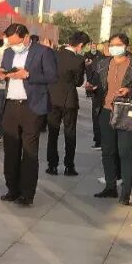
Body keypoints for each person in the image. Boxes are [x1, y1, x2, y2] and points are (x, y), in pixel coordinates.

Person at [0, 23, 58, 207]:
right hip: (11, 105)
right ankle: (12, 189)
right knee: (10, 149)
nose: (13, 46)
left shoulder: (43, 52)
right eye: (10, 43)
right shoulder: (8, 52)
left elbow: (52, 76)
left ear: (25, 37)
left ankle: (27, 193)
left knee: (29, 151)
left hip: (31, 106)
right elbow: (3, 71)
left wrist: (28, 75)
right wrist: (1, 75)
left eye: (15, 42)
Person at [92, 34, 132, 205]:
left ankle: (125, 191)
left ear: (125, 46)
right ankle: (110, 186)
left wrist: (130, 91)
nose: (114, 47)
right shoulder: (103, 63)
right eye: (111, 44)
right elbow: (98, 85)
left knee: (125, 152)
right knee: (108, 151)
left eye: (117, 44)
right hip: (106, 111)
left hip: (127, 112)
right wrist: (92, 88)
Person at [46, 31, 89, 177]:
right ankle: (69, 166)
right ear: (80, 45)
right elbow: (78, 82)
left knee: (53, 133)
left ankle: (52, 166)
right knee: (70, 134)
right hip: (69, 101)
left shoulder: (53, 54)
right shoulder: (79, 59)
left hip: (52, 98)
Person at [84, 42, 109, 148]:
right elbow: (91, 76)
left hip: (101, 94)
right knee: (99, 118)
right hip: (99, 94)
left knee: (99, 118)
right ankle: (100, 140)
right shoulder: (98, 60)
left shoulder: (98, 60)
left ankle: (100, 141)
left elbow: (91, 76)